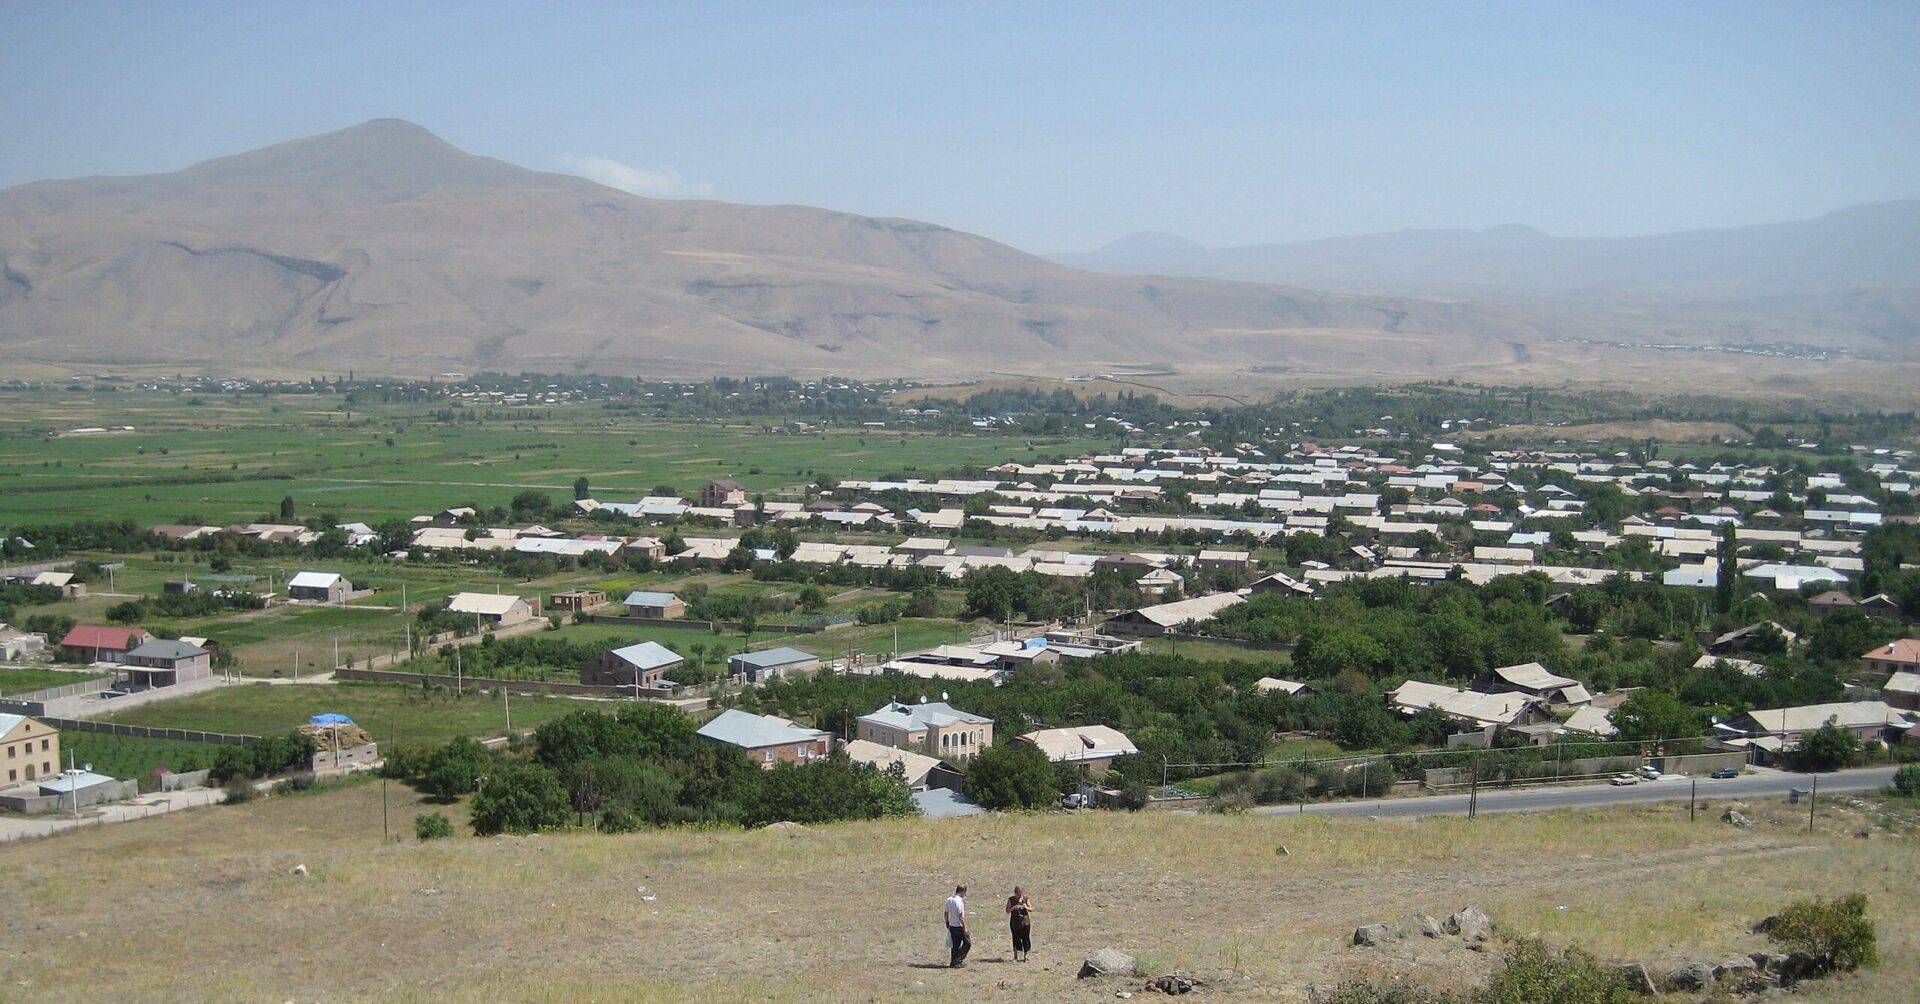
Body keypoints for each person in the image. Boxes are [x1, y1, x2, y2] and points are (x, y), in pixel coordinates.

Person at [944, 884, 971, 968]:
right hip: (959, 926)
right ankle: (958, 960)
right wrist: (965, 927)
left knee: (955, 945)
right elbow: (960, 916)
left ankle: (953, 962)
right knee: (967, 943)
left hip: (952, 926)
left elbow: (946, 913)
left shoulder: (949, 900)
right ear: (963, 891)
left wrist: (947, 922)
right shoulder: (959, 902)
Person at [1005, 885, 1035, 961]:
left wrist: (1026, 907)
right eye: (1017, 893)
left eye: (1020, 894)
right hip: (1015, 921)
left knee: (1025, 938)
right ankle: (1016, 955)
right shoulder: (1011, 899)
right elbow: (1007, 910)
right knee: (1015, 937)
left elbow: (1032, 909)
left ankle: (1026, 955)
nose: (1018, 895)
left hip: (1025, 921)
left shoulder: (1025, 899)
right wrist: (1013, 908)